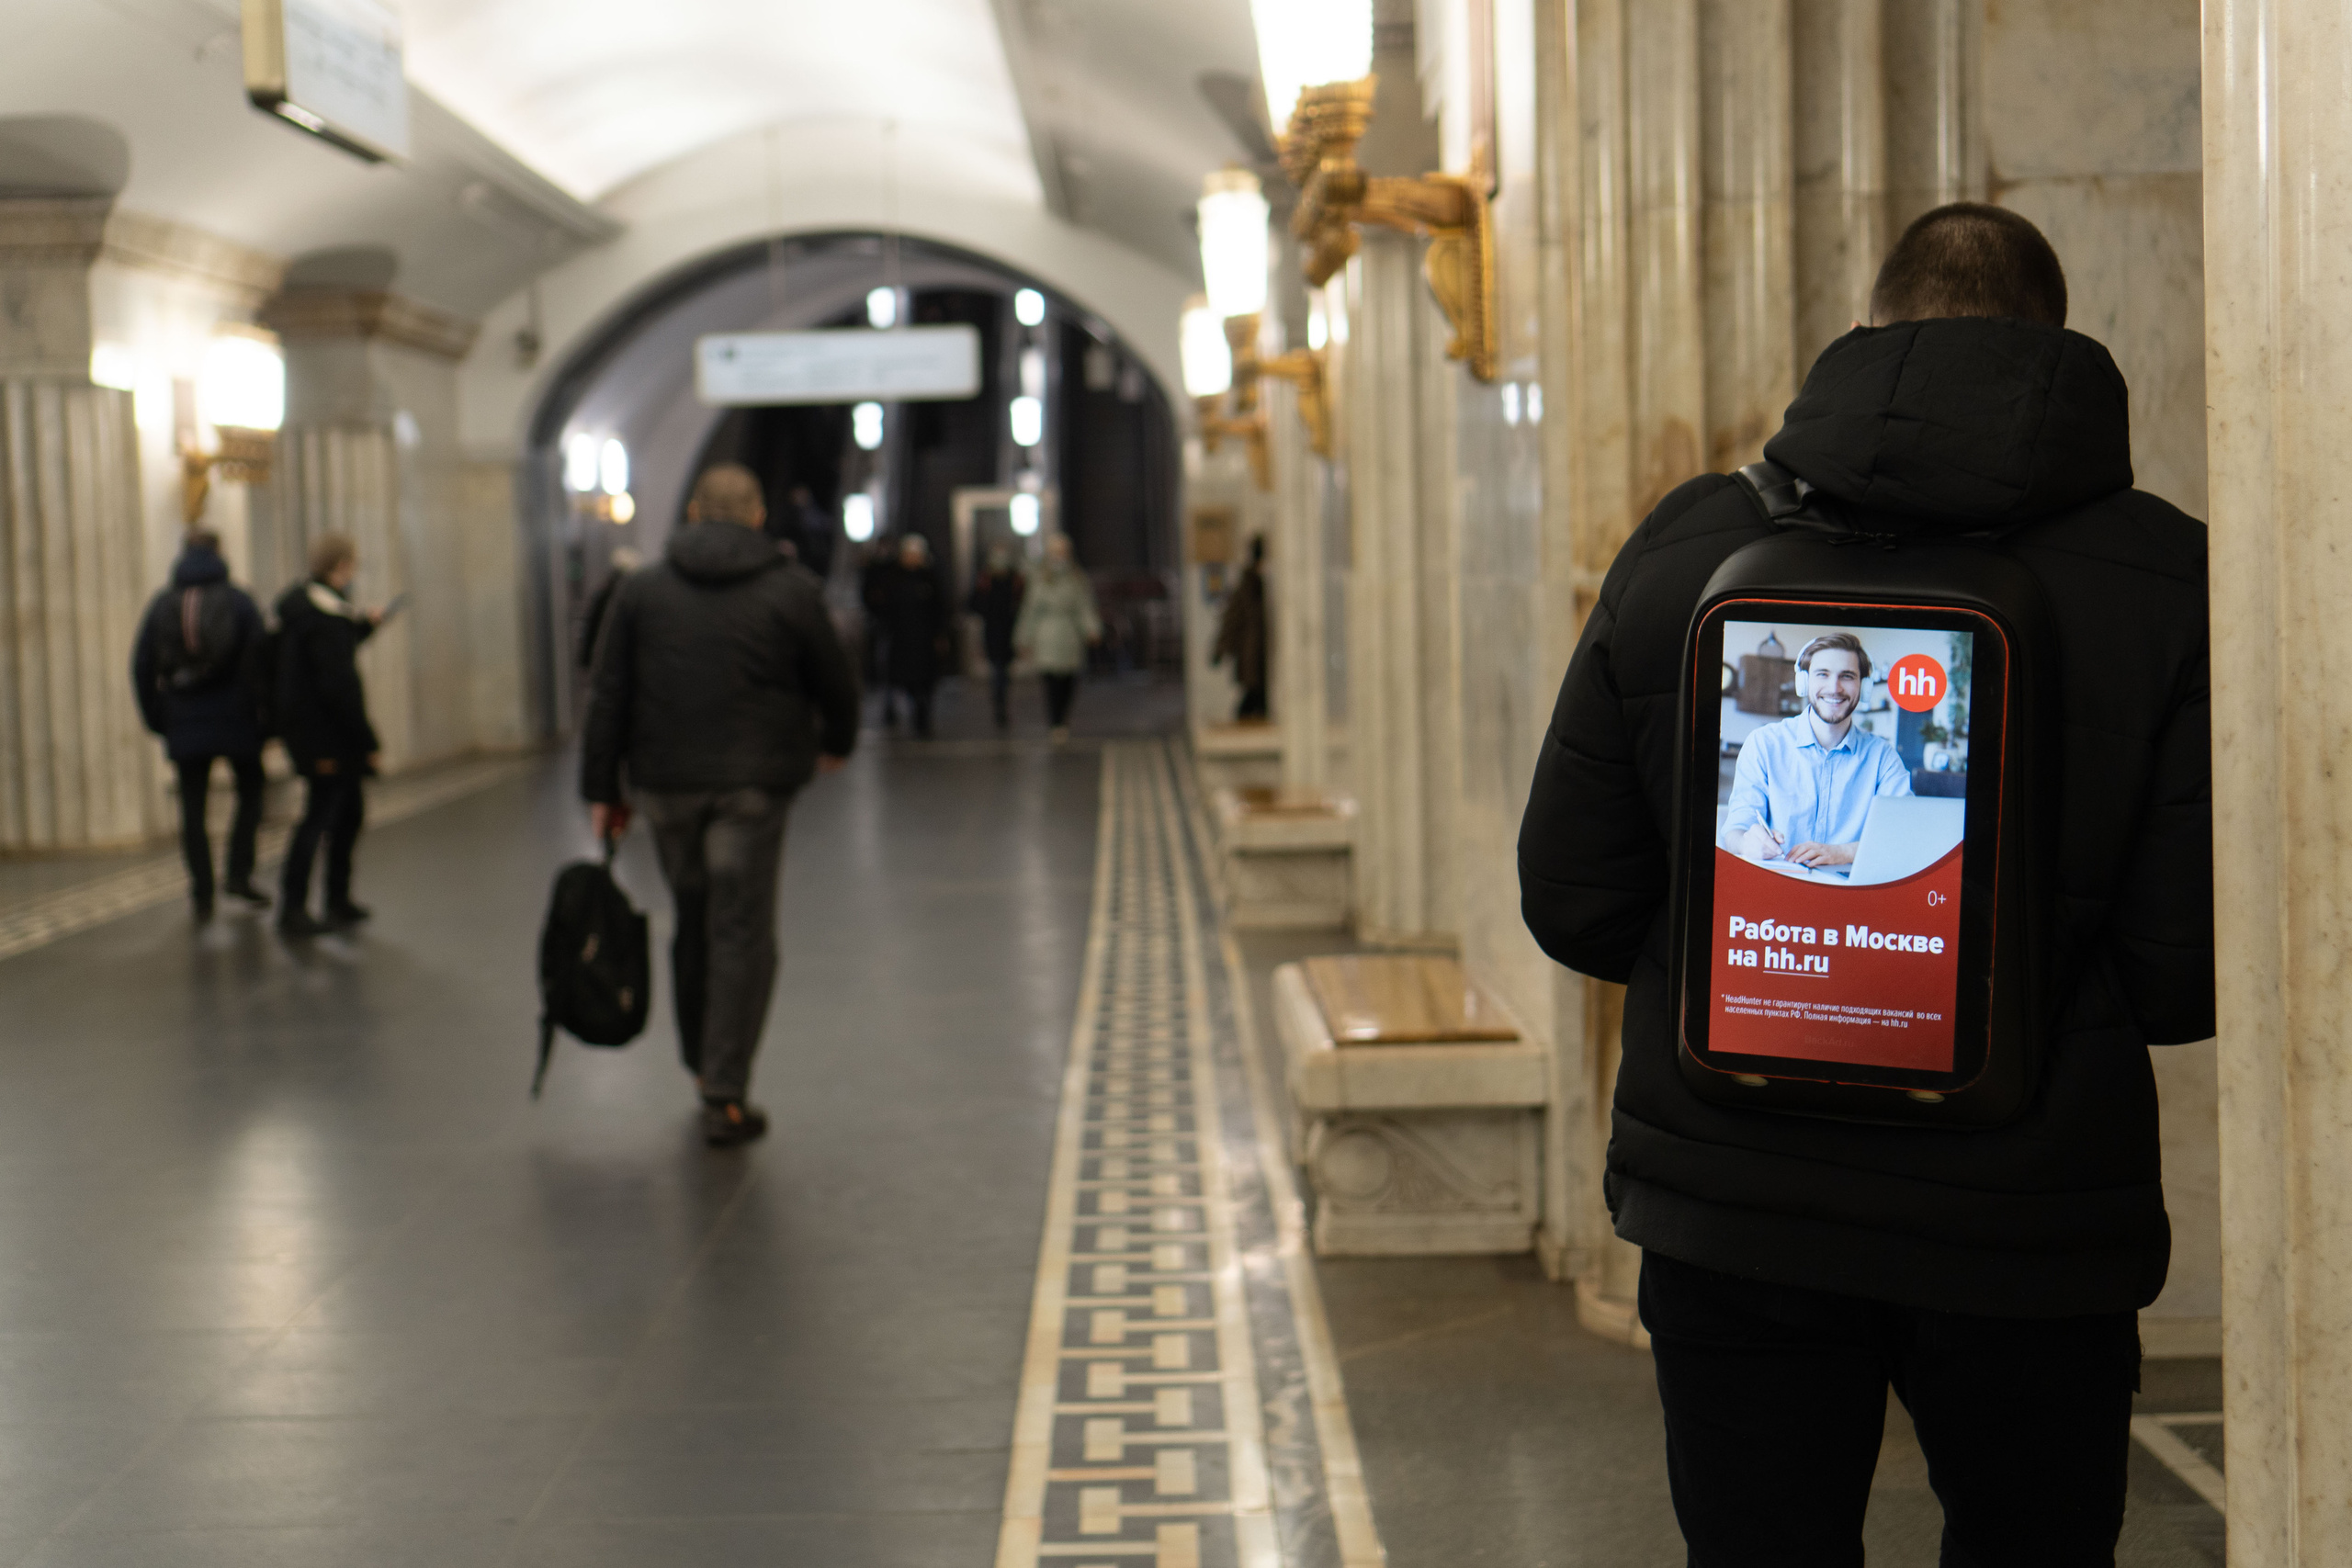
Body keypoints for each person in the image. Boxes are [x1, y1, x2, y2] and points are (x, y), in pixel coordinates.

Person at [1517, 203, 2211, 1565]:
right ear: (2057, 351)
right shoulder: (2167, 574)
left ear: (1869, 325)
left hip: (1734, 1205)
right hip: (2031, 1224)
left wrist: (1770, 946)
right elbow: (2187, 973)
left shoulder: (1683, 547)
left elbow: (1574, 898)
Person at [581, 462, 858, 1147]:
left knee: (693, 915)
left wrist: (601, 789)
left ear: (696, 514)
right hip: (754, 787)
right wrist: (838, 741)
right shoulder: (791, 591)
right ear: (759, 514)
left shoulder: (642, 590)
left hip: (666, 784)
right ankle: (724, 1085)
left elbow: (608, 690)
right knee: (741, 928)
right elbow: (835, 675)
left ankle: (701, 1060)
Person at [131, 529, 270, 921]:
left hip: (183, 719)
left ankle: (202, 889)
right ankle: (239, 873)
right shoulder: (239, 601)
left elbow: (141, 665)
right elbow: (262, 660)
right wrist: (266, 718)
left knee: (193, 806)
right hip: (236, 718)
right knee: (252, 790)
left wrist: (157, 717)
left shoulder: (162, 605)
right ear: (219, 553)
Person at [274, 532, 386, 937]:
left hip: (319, 733)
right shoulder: (322, 617)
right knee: (318, 819)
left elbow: (335, 653)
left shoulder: (315, 610)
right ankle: (293, 907)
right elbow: (339, 685)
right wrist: (368, 741)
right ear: (341, 565)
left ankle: (337, 899)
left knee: (348, 815)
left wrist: (364, 629)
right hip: (326, 737)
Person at [1721, 631, 1912, 867]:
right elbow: (1735, 831)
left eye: (1847, 676)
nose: (1834, 688)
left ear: (1864, 687)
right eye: (1823, 674)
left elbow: (1903, 835)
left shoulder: (1883, 757)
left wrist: (1843, 852)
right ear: (1804, 682)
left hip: (1852, 895)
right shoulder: (1763, 744)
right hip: (1778, 888)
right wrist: (1746, 843)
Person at [1015, 534, 1101, 742]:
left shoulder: (1076, 578)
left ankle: (1063, 717)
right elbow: (1031, 610)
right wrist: (1024, 638)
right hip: (1047, 635)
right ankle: (1055, 720)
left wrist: (1092, 629)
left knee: (1069, 679)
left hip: (1069, 634)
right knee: (1051, 680)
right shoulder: (1040, 579)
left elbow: (1084, 607)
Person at [879, 534, 950, 739]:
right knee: (907, 680)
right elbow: (886, 610)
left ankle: (923, 718)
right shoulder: (894, 580)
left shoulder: (930, 579)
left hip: (925, 641)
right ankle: (913, 709)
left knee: (926, 682)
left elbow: (941, 609)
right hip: (902, 640)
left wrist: (940, 635)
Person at [968, 543, 1025, 729]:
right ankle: (999, 703)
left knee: (1004, 671)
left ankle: (1002, 699)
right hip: (993, 632)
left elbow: (1024, 604)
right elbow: (973, 604)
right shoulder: (986, 580)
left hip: (1010, 632)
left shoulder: (1015, 580)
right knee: (997, 670)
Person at [1213, 536, 1269, 720]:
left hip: (1256, 654)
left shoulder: (1255, 584)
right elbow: (1233, 620)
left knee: (1257, 700)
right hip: (1252, 655)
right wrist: (1220, 649)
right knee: (1253, 699)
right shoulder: (1249, 585)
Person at [577, 547, 641, 670]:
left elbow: (592, 626)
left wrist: (586, 659)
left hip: (606, 659)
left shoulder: (604, 593)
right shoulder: (630, 596)